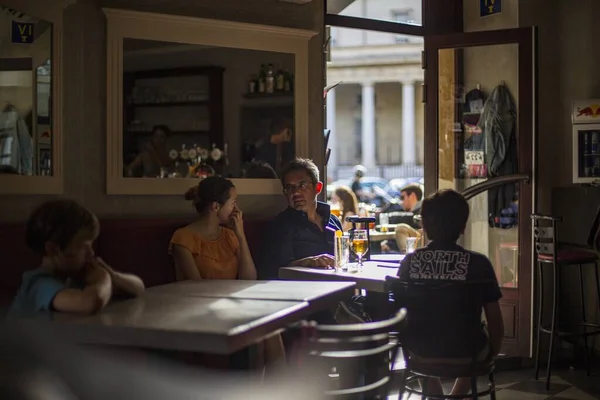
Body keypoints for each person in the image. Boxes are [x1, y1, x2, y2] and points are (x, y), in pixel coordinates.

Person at [397, 189, 504, 398]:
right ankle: (455, 397)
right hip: (469, 352)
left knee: (422, 333)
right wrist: (491, 353)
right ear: (463, 227)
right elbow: (496, 324)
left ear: (424, 226)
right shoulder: (479, 264)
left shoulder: (410, 263)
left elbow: (401, 318)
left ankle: (436, 397)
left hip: (420, 351)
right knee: (473, 344)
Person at [9, 199, 145, 317]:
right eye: (84, 247)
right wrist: (103, 278)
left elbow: (138, 287)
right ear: (53, 249)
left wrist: (113, 276)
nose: (91, 253)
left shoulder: (74, 277)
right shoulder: (39, 284)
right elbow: (89, 302)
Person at [258, 158, 342, 280]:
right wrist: (307, 262)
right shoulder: (280, 226)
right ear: (285, 192)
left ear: (317, 188)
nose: (296, 192)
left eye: (302, 185)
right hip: (306, 292)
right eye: (290, 187)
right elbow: (274, 271)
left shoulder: (334, 222)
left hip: (341, 288)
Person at [170, 176, 256, 281]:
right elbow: (195, 287)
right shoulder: (183, 238)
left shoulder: (230, 236)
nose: (237, 209)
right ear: (216, 206)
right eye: (233, 203)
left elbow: (249, 279)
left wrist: (241, 235)